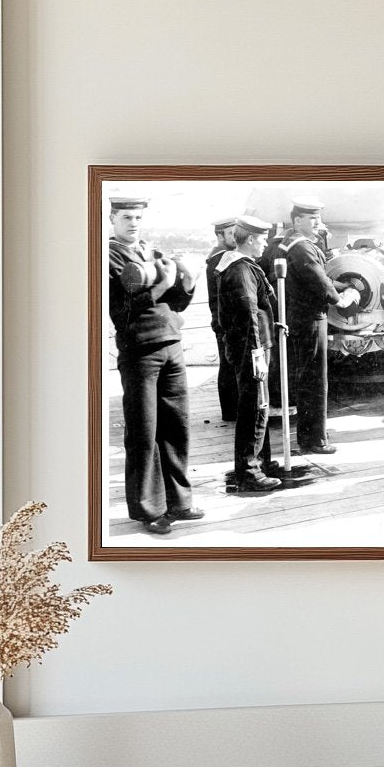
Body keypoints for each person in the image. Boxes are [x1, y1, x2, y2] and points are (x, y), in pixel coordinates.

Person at [107, 196, 204, 533]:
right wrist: (161, 284)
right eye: (126, 217)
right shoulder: (107, 256)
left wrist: (187, 284)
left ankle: (180, 502)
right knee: (144, 432)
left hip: (171, 344)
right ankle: (149, 509)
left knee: (177, 427)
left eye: (137, 218)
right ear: (112, 219)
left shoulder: (151, 251)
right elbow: (121, 311)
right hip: (140, 351)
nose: (133, 223)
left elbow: (175, 303)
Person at [279, 198, 358, 455]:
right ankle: (315, 440)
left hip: (301, 317)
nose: (318, 223)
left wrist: (340, 286)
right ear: (297, 220)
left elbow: (319, 277)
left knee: (307, 377)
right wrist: (343, 300)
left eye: (318, 218)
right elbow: (319, 281)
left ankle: (309, 436)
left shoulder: (291, 242)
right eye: (312, 218)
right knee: (315, 379)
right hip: (311, 319)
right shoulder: (302, 247)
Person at [215, 216, 283, 492]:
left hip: (251, 345)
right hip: (251, 348)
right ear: (251, 239)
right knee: (256, 408)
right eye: (263, 239)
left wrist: (274, 325)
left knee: (257, 406)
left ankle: (259, 462)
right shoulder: (241, 269)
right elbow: (247, 314)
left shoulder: (240, 265)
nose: (265, 244)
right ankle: (250, 472)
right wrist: (256, 354)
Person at [204, 217, 239, 422]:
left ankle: (230, 411)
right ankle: (231, 412)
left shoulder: (216, 257)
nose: (236, 237)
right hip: (225, 320)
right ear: (220, 236)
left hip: (221, 318)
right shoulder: (221, 259)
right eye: (231, 233)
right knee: (228, 365)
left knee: (227, 364)